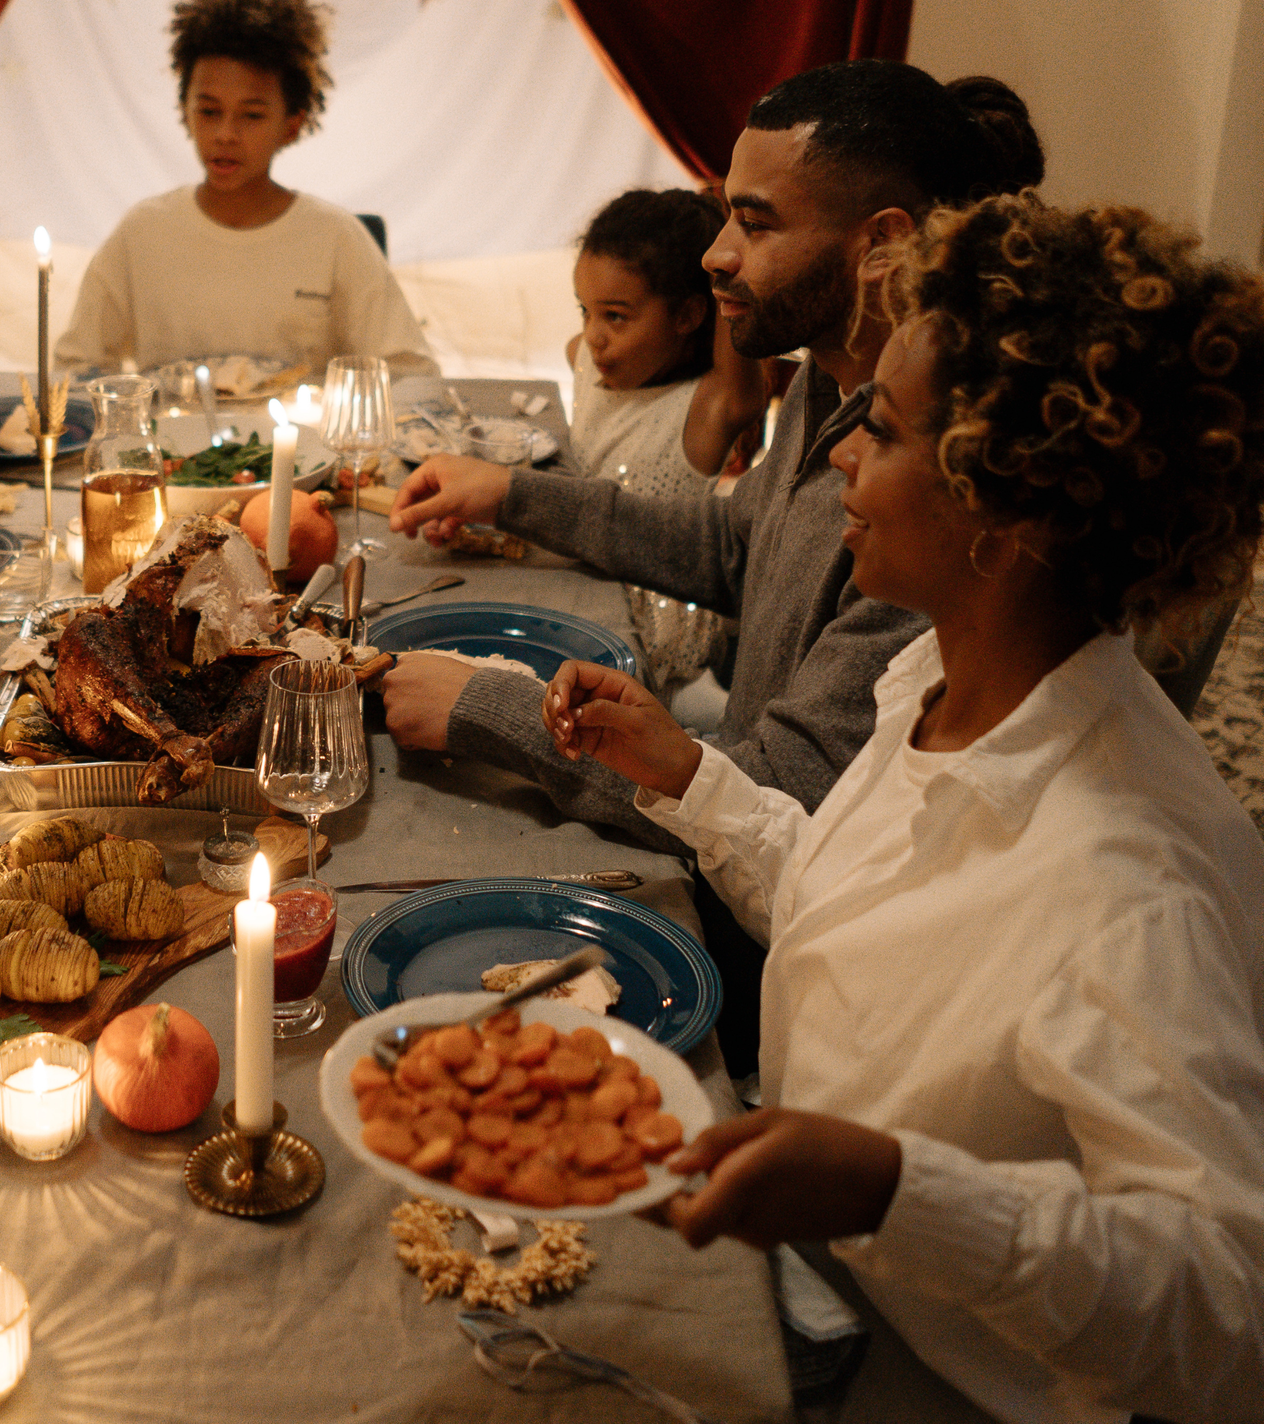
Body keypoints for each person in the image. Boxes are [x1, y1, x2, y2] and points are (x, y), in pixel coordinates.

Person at [545, 196, 1264, 1422]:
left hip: (919, 1366)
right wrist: (689, 777)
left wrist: (893, 1191)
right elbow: (871, 916)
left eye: (889, 430)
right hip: (824, 1256)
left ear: (1007, 510)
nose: (842, 457)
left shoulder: (1123, 886)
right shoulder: (945, 682)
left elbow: (1255, 1331)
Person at [386, 61, 1043, 1067]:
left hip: (768, 943)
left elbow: (777, 795)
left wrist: (485, 707)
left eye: (756, 223)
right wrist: (513, 492)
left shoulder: (928, 498)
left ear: (883, 246)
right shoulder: (829, 381)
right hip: (734, 837)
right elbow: (734, 547)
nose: (716, 256)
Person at [54, 0, 436, 379]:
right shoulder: (143, 233)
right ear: (184, 110)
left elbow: (409, 373)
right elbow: (77, 367)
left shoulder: (336, 239)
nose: (225, 134)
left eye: (251, 116)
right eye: (209, 111)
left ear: (291, 125)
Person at [562, 186, 722, 497]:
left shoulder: (706, 413)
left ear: (686, 315)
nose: (592, 337)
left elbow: (742, 389)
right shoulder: (583, 357)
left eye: (615, 316)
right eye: (585, 310)